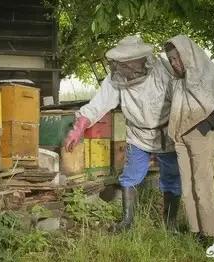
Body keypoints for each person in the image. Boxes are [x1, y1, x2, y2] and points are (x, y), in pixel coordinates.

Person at [64, 36, 182, 232]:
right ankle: (127, 222)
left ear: (142, 58)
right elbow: (98, 104)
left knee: (172, 177)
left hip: (167, 133)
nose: (127, 68)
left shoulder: (163, 70)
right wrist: (79, 127)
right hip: (137, 135)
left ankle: (170, 224)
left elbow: (181, 99)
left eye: (131, 62)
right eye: (123, 63)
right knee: (131, 176)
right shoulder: (116, 78)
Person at [164, 35, 214, 245]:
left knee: (203, 186)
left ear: (187, 54)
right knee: (187, 186)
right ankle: (196, 231)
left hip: (200, 136)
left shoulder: (207, 75)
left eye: (177, 58)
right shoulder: (178, 82)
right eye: (171, 59)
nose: (174, 63)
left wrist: (203, 127)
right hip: (181, 137)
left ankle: (211, 236)